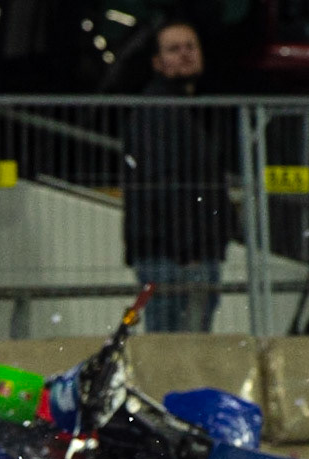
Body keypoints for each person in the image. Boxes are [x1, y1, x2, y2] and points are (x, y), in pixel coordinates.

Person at [122, 20, 235, 334]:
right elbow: (163, 184)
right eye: (174, 49)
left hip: (186, 253)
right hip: (175, 258)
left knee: (182, 347)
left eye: (191, 47)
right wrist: (189, 252)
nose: (185, 54)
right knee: (175, 350)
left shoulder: (182, 108)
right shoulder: (159, 111)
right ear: (157, 63)